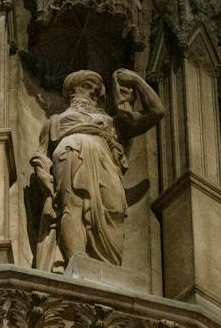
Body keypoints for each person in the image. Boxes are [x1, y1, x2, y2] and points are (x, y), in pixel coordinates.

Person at [30, 68, 164, 269]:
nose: (92, 92)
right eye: (87, 86)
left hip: (105, 162)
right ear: (71, 91)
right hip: (71, 153)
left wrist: (136, 81)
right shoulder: (55, 121)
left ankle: (109, 269)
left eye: (97, 89)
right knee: (72, 206)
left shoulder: (113, 123)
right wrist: (42, 174)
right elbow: (41, 154)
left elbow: (156, 112)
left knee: (115, 209)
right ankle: (78, 261)